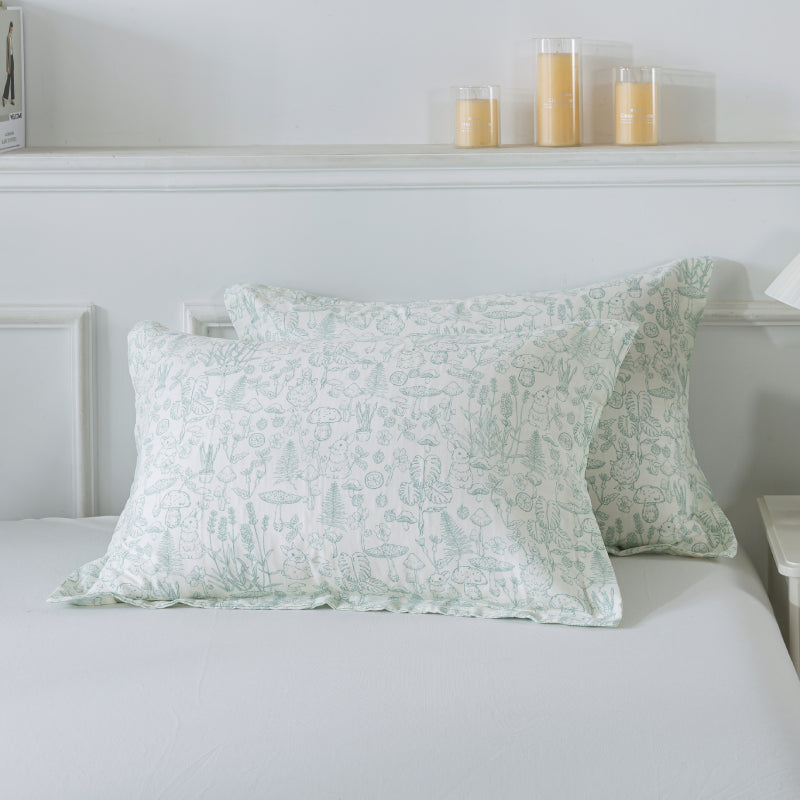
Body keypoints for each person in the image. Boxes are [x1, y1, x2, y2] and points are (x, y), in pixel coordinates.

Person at [2, 21, 14, 108]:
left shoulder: (11, 37)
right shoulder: (7, 37)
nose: (11, 30)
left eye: (12, 29)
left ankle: (12, 99)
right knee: (9, 78)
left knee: (12, 78)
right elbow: (7, 53)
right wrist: (8, 66)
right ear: (8, 28)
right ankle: (4, 96)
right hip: (9, 59)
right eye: (10, 29)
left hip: (12, 58)